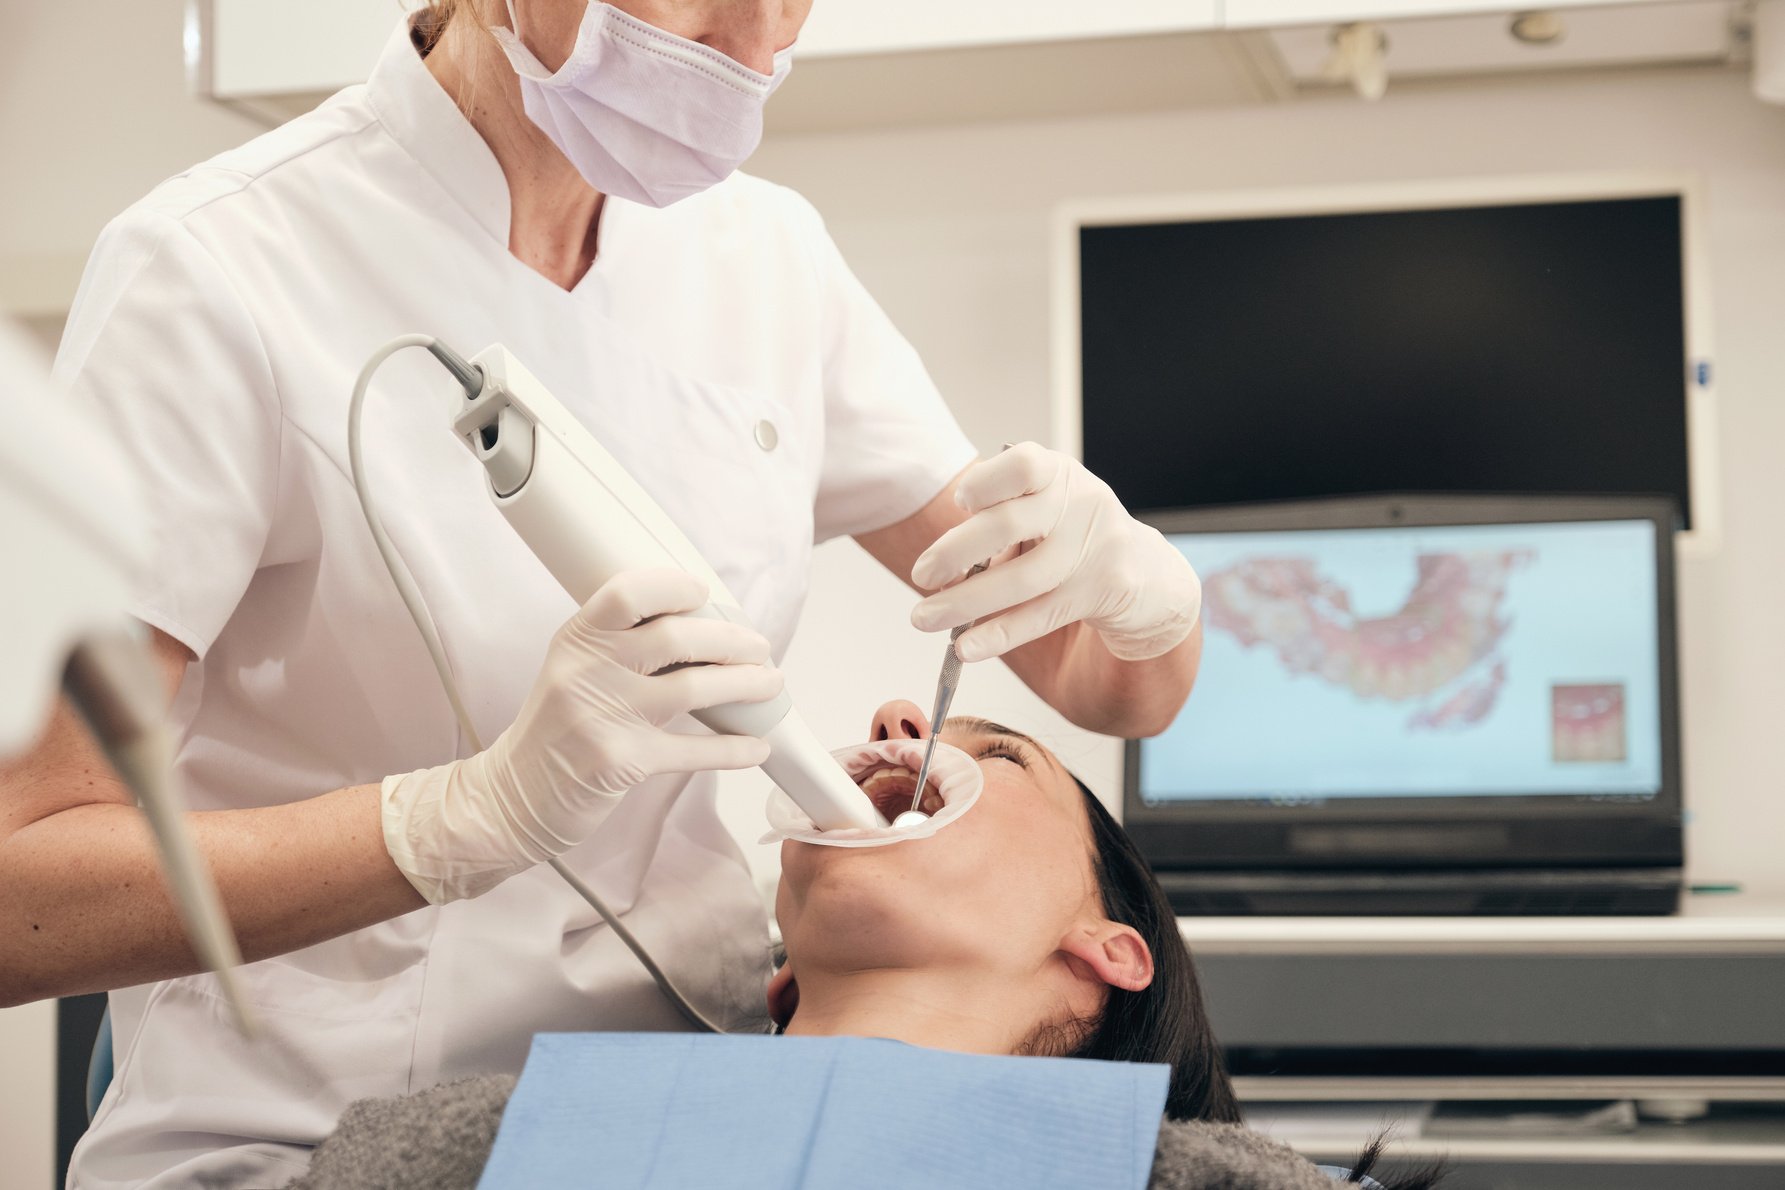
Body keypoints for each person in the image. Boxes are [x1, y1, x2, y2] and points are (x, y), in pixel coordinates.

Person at [0, 2, 1207, 1185]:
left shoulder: (765, 259)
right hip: (310, 1132)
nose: (757, 49)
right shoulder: (218, 268)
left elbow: (1100, 674)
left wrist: (1147, 593)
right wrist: (455, 819)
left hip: (692, 1110)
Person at [287, 703, 1444, 1189]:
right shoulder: (449, 1152)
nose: (896, 724)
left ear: (1110, 948)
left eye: (998, 749)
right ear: (780, 969)